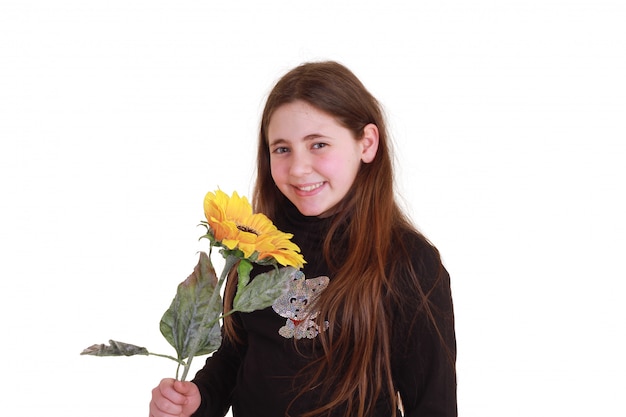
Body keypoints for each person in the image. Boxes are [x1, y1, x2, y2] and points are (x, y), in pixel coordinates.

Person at [149, 61, 457, 417]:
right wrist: (198, 399)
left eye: (319, 144)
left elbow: (433, 405)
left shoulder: (409, 261)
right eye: (282, 149)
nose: (298, 168)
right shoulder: (259, 247)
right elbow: (237, 353)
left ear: (367, 144)